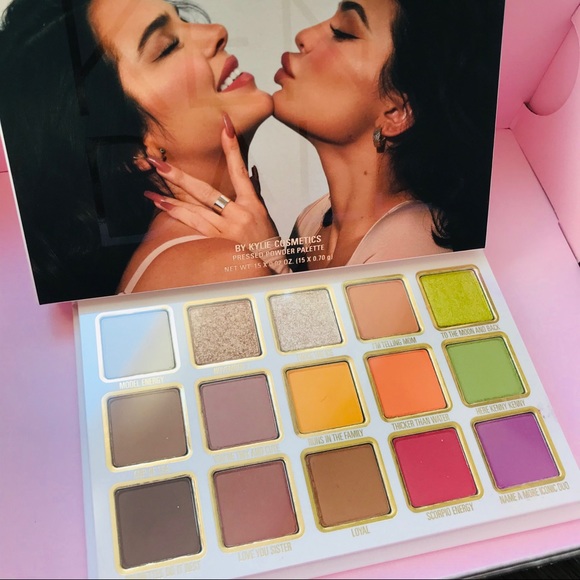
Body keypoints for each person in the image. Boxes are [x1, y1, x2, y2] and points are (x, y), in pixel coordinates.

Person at [151, 0, 504, 270]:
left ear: (396, 112)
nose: (304, 37)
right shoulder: (313, 222)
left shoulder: (412, 247)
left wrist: (271, 262)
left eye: (344, 32)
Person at [0, 0, 276, 303]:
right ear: (130, 149)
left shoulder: (198, 262)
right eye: (168, 47)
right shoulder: (220, 272)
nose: (217, 32)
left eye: (183, 19)